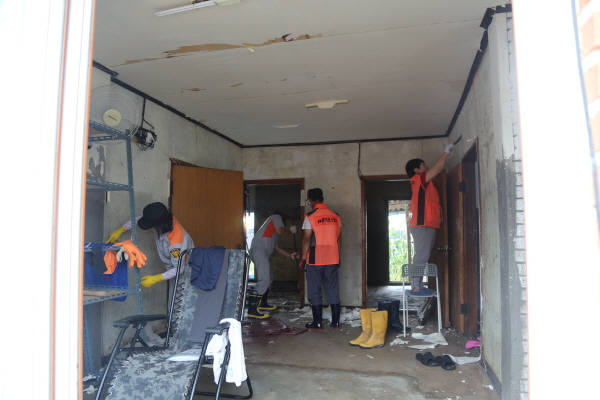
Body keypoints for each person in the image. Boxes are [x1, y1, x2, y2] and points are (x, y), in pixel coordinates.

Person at [106, 202, 194, 289]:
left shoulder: (176, 244)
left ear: (159, 226)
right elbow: (138, 220)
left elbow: (180, 268)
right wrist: (121, 230)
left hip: (186, 277)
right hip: (174, 273)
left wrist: (155, 279)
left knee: (180, 297)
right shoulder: (165, 219)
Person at [404, 143, 454, 296]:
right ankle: (415, 287)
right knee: (422, 256)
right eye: (423, 165)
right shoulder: (420, 179)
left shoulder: (420, 181)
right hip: (422, 224)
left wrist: (445, 157)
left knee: (422, 255)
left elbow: (435, 169)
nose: (427, 167)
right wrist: (445, 153)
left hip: (425, 224)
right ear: (416, 170)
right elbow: (437, 169)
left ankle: (417, 285)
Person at [300, 188, 342, 331]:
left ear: (311, 201)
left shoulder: (310, 216)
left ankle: (317, 323)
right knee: (332, 289)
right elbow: (339, 239)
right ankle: (335, 322)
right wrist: (338, 256)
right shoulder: (336, 216)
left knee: (314, 290)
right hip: (332, 258)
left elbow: (307, 239)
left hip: (315, 258)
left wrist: (303, 258)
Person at [248, 212, 298, 319]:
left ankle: (263, 303)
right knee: (264, 279)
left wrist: (291, 256)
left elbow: (277, 248)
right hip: (259, 251)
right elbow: (280, 231)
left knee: (269, 277)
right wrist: (291, 231)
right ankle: (252, 310)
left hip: (260, 252)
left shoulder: (272, 233)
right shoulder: (275, 217)